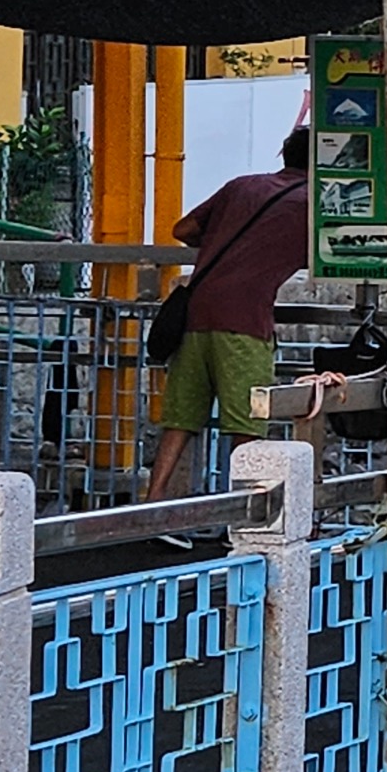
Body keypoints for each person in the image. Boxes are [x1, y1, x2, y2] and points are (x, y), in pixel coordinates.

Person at [147, 128, 311, 500]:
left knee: (180, 419)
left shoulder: (242, 185)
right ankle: (243, 507)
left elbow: (183, 229)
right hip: (246, 320)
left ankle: (153, 502)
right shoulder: (313, 205)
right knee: (246, 422)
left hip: (196, 312)